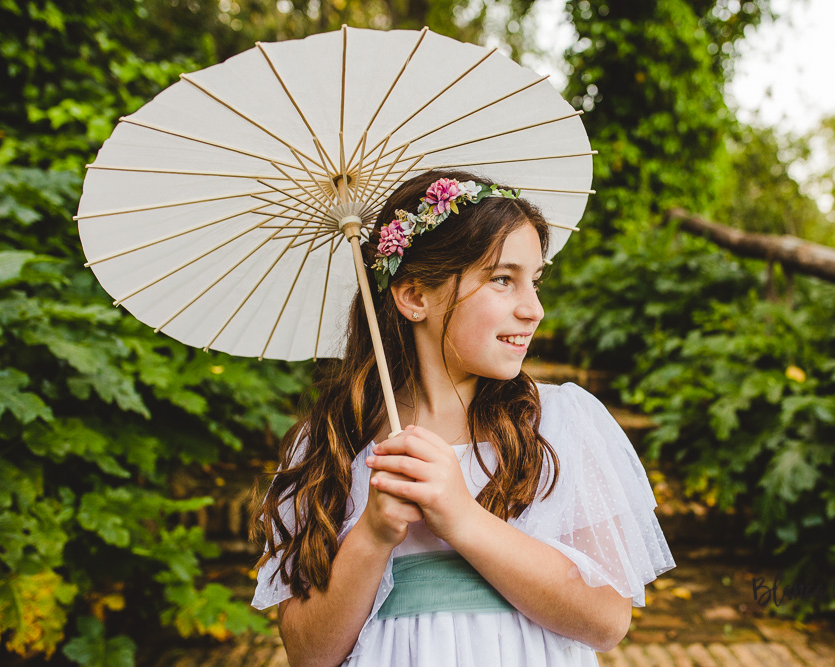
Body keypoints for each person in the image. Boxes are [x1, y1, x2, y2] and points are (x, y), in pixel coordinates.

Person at [249, 169, 676, 666]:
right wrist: (372, 535)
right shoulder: (335, 442)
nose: (534, 309)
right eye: (502, 280)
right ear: (414, 297)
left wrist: (461, 516)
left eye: (534, 281)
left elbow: (606, 620)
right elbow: (308, 654)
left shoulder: (559, 425)